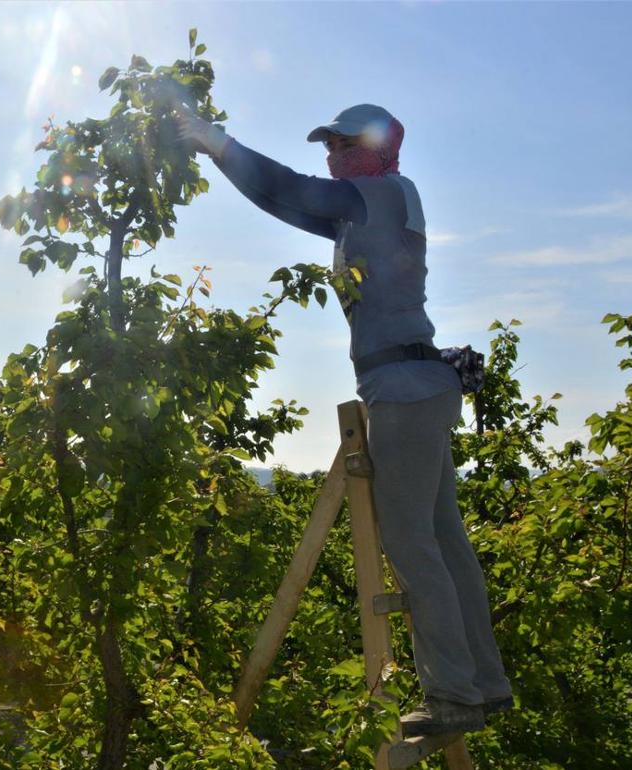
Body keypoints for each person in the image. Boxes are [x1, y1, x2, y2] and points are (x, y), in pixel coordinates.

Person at [174, 103, 513, 737]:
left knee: (413, 541)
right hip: (419, 385)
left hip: (403, 391)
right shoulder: (367, 208)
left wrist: (217, 139)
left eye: (340, 144)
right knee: (445, 541)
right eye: (327, 145)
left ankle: (453, 694)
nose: (331, 154)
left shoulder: (381, 195)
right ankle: (485, 684)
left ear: (374, 147)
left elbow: (294, 189)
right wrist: (219, 156)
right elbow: (283, 201)